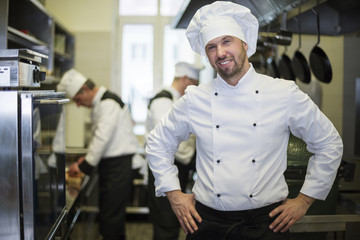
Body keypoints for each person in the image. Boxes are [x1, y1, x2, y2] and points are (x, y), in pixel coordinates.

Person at [145, 2, 343, 240]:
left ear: (245, 44)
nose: (220, 53)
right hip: (207, 225)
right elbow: (157, 142)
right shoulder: (195, 99)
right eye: (211, 47)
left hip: (266, 225)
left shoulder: (283, 93)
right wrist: (174, 195)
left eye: (227, 41)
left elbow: (329, 143)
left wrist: (304, 199)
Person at [58, 69, 139, 240]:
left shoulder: (108, 102)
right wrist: (86, 159)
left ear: (85, 90)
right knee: (112, 219)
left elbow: (102, 138)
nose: (79, 105)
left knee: (111, 221)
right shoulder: (102, 102)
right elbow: (99, 138)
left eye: (78, 100)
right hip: (113, 166)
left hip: (118, 167)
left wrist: (82, 166)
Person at [145, 62, 202, 240]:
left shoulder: (176, 99)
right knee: (166, 225)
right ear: (185, 79)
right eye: (195, 83)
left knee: (171, 223)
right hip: (165, 171)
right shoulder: (164, 101)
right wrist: (192, 155)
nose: (196, 88)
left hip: (177, 169)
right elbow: (165, 142)